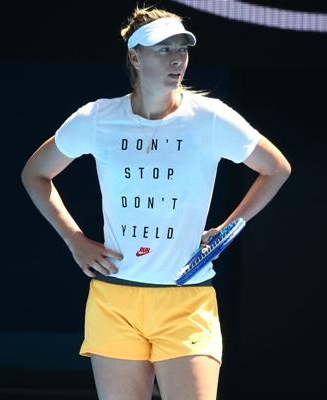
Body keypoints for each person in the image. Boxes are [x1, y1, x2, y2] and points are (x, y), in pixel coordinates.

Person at [21, 5, 291, 400]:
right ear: (135, 56)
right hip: (114, 299)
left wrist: (229, 227)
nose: (177, 57)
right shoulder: (97, 118)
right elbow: (35, 173)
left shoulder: (210, 118)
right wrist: (73, 238)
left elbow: (275, 168)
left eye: (182, 47)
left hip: (187, 300)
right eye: (163, 48)